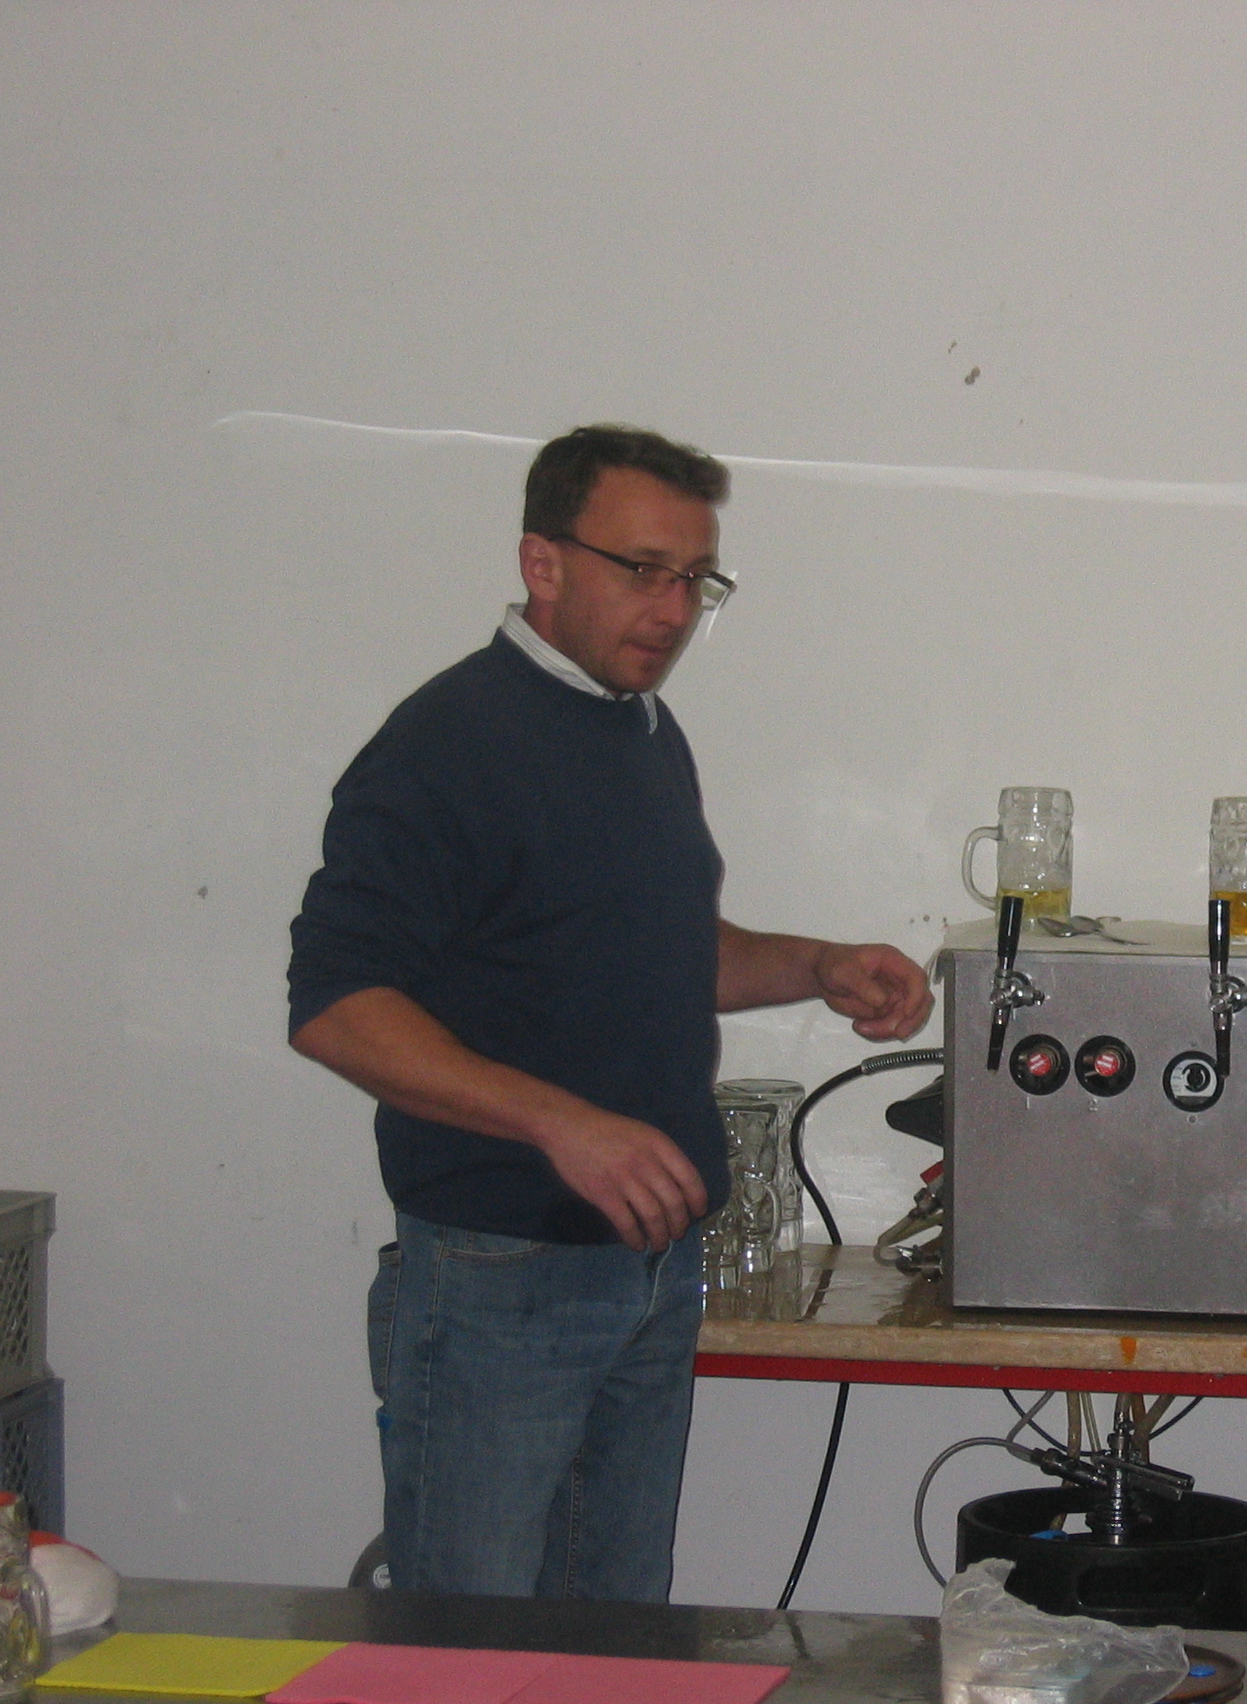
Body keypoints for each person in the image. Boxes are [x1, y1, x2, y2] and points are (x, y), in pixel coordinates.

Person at [287, 424, 932, 1602]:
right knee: (471, 1655)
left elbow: (646, 952)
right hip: (500, 1272)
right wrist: (561, 1124)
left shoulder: (636, 729)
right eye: (642, 570)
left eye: (694, 579)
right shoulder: (446, 744)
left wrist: (817, 964)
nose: (672, 610)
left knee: (619, 1643)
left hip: (647, 1265)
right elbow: (334, 1003)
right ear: (542, 563)